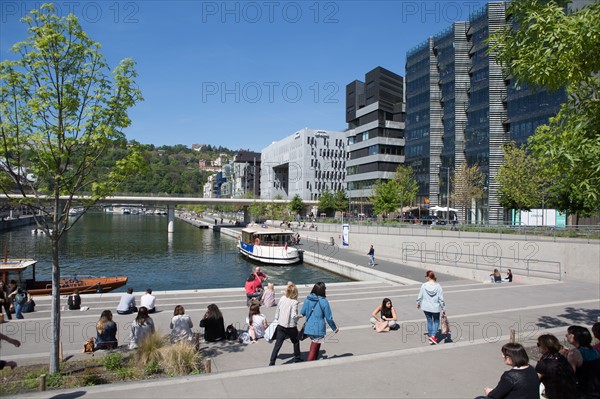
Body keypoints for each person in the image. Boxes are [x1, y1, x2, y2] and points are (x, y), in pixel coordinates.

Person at [300, 282, 339, 362]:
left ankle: (315, 361)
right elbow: (329, 318)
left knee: (316, 344)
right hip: (318, 328)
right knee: (314, 348)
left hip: (308, 327)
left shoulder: (308, 299)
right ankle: (308, 364)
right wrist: (334, 328)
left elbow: (302, 312)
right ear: (322, 290)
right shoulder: (324, 301)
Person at [269, 283, 303, 366]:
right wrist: (299, 316)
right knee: (295, 341)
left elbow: (278, 309)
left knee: (278, 344)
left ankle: (272, 361)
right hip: (291, 326)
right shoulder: (294, 302)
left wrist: (276, 318)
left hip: (281, 324)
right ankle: (297, 358)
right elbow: (293, 316)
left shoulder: (282, 298)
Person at [561, 325, 600, 398]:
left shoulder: (574, 353)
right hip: (596, 389)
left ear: (573, 337)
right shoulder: (593, 350)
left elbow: (569, 375)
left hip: (585, 392)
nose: (566, 335)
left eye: (568, 334)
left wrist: (562, 357)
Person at [535, 334, 577, 399]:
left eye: (538, 344)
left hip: (555, 395)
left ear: (545, 347)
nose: (538, 347)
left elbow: (534, 380)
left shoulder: (544, 363)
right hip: (571, 393)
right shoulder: (561, 358)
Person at [416, 270, 445, 345]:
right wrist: (443, 307)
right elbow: (441, 298)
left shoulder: (424, 285)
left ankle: (430, 336)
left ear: (428, 277)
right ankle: (432, 336)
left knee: (429, 320)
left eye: (426, 276)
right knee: (436, 321)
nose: (425, 278)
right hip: (435, 307)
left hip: (426, 307)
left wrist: (418, 303)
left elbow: (420, 295)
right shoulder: (438, 286)